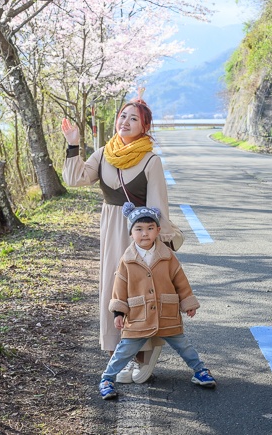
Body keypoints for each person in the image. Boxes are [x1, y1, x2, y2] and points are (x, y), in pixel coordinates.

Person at [61, 98, 179, 383]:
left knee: (139, 288)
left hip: (139, 232)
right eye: (122, 116)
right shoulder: (104, 153)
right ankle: (121, 353)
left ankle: (145, 352)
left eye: (133, 119)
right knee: (115, 288)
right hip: (111, 228)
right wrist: (73, 144)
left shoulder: (151, 160)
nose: (125, 122)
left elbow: (158, 206)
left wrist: (153, 241)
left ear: (145, 127)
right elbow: (75, 179)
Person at [98, 204, 215, 400]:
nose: (145, 234)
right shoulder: (127, 260)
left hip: (166, 313)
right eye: (139, 229)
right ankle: (107, 379)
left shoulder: (168, 256)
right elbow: (119, 287)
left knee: (184, 345)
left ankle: (200, 371)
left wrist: (188, 303)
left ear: (158, 231)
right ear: (131, 233)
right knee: (124, 350)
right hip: (138, 317)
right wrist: (119, 313)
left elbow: (180, 280)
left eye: (150, 228)